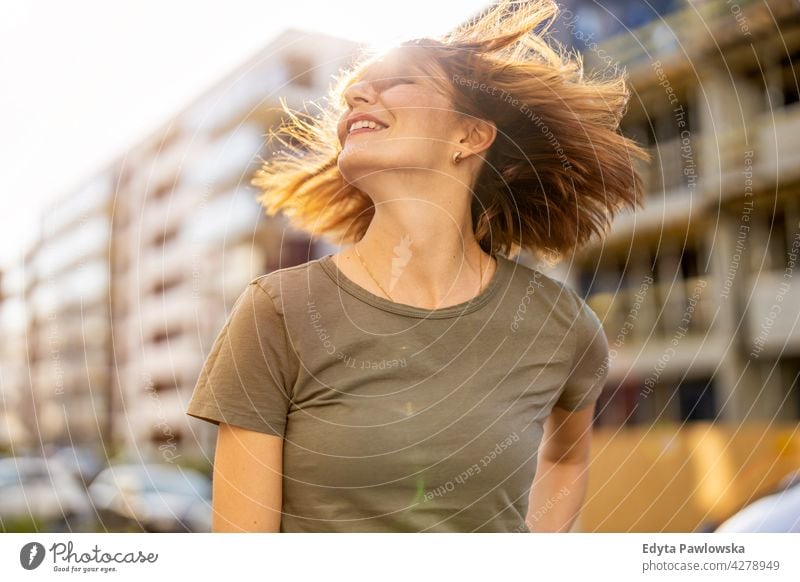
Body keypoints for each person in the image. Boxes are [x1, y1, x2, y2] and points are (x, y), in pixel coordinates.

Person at [186, 0, 650, 532]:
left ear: (469, 136)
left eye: (399, 81)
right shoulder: (278, 313)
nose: (357, 95)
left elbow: (566, 458)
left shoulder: (561, 326)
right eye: (354, 91)